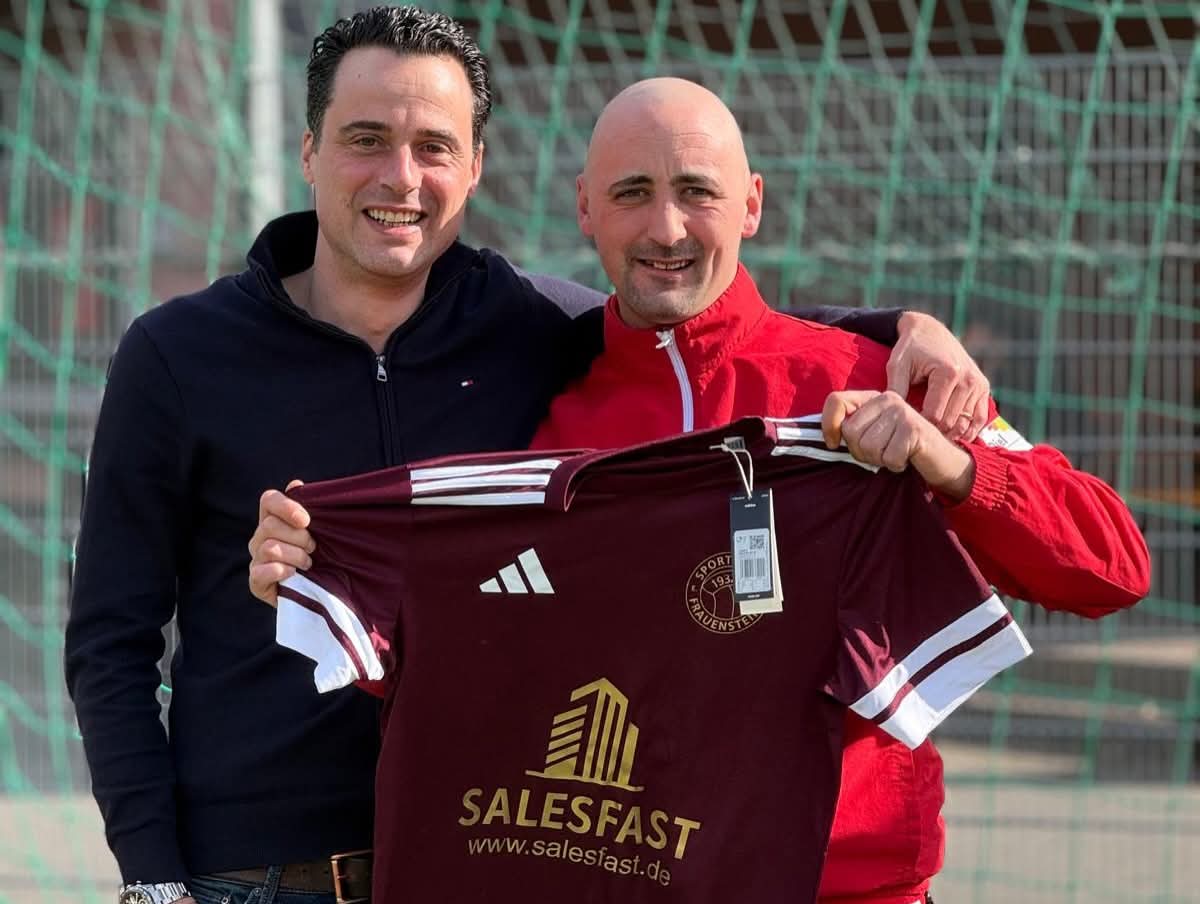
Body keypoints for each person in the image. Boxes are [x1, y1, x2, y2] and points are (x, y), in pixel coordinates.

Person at [63, 8, 983, 904]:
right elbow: (110, 642)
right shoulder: (177, 355)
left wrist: (898, 330)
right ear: (309, 151)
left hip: (489, 856)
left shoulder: (536, 328)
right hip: (255, 877)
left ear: (475, 167)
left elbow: (701, 325)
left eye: (434, 146)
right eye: (366, 139)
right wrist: (152, 876)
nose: (400, 176)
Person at [250, 78, 1151, 904]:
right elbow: (481, 664)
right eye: (633, 194)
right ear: (586, 209)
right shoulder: (538, 420)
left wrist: (952, 466)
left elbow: (1113, 566)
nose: (667, 229)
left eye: (697, 192)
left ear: (752, 202)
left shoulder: (885, 382)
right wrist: (320, 567)